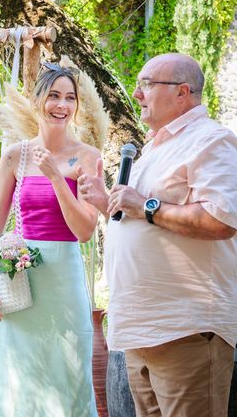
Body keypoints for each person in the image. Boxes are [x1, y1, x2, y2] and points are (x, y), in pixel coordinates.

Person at [77, 53, 237, 417]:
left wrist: (145, 205)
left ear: (183, 92)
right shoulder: (154, 146)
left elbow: (221, 219)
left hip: (185, 330)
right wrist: (108, 204)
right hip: (140, 328)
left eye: (147, 84)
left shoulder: (211, 140)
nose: (137, 94)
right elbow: (144, 219)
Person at [0, 63, 101, 416]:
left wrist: (57, 179)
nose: (61, 105)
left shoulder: (88, 158)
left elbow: (85, 231)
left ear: (76, 106)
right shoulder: (16, 155)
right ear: (37, 101)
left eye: (69, 98)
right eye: (53, 96)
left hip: (64, 279)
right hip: (21, 281)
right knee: (23, 376)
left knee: (70, 374)